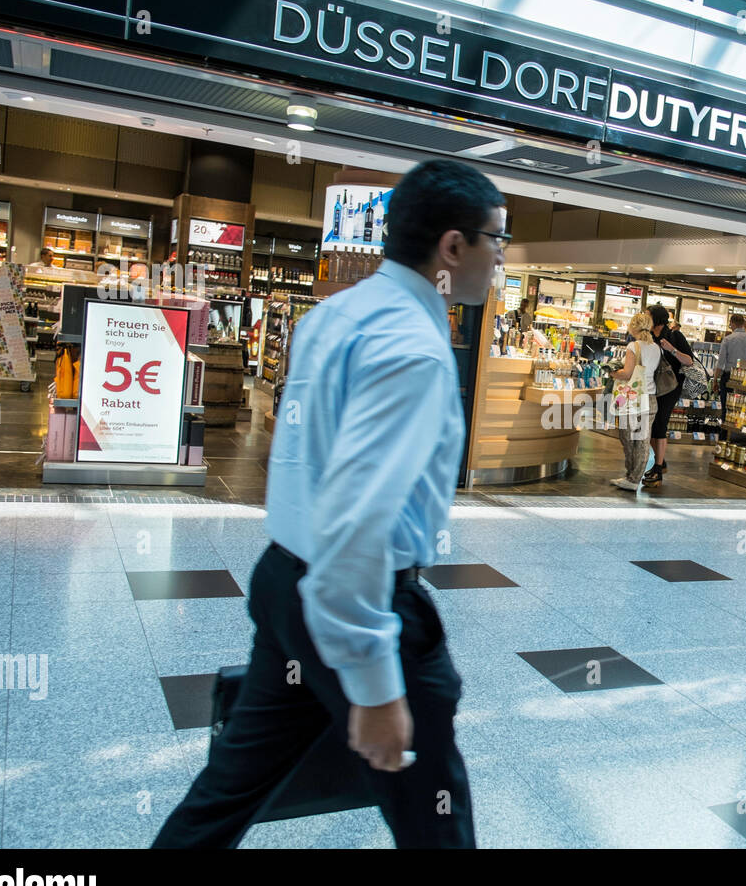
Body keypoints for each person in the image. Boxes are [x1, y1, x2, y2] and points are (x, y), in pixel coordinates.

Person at [153, 159, 506, 849]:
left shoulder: (336, 315)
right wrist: (375, 686)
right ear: (453, 247)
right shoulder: (412, 349)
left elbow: (304, 467)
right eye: (495, 238)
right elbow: (358, 519)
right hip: (362, 603)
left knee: (226, 794)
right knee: (436, 816)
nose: (499, 255)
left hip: (286, 582)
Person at [607, 311, 660, 491]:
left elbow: (628, 374)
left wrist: (612, 372)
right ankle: (635, 478)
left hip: (633, 398)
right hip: (650, 397)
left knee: (627, 436)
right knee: (643, 440)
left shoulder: (633, 346)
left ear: (633, 326)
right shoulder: (656, 347)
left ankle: (631, 476)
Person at [643, 303, 695, 487]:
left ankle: (658, 469)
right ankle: (660, 460)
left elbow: (689, 361)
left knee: (660, 424)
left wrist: (671, 349)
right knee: (648, 426)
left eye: (647, 315)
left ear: (657, 319)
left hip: (670, 387)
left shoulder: (674, 335)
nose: (645, 318)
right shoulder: (647, 336)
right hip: (651, 386)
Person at [717, 312, 746, 418]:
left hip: (729, 377)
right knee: (742, 409)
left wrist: (715, 380)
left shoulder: (728, 339)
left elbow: (720, 363)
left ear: (732, 323)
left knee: (727, 407)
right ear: (743, 324)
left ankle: (725, 433)